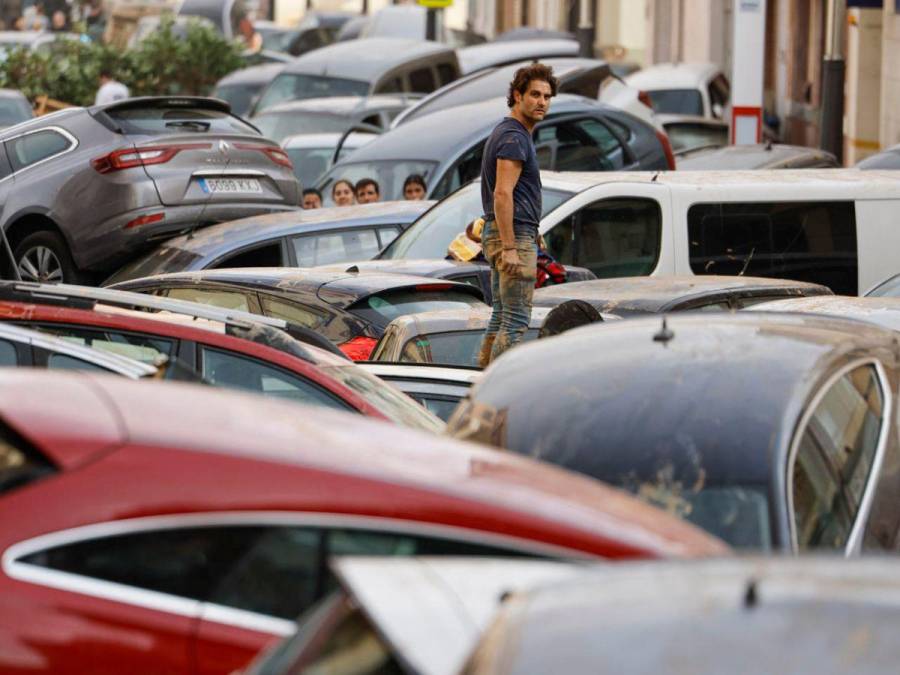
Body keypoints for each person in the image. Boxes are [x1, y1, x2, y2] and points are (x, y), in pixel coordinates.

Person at [476, 62, 557, 368]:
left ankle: (481, 382)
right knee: (516, 320)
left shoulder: (511, 132)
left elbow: (512, 194)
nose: (541, 102)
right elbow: (502, 193)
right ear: (517, 95)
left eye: (547, 96)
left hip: (512, 232)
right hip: (510, 238)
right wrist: (511, 246)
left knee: (502, 315)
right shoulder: (513, 137)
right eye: (534, 94)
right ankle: (497, 390)